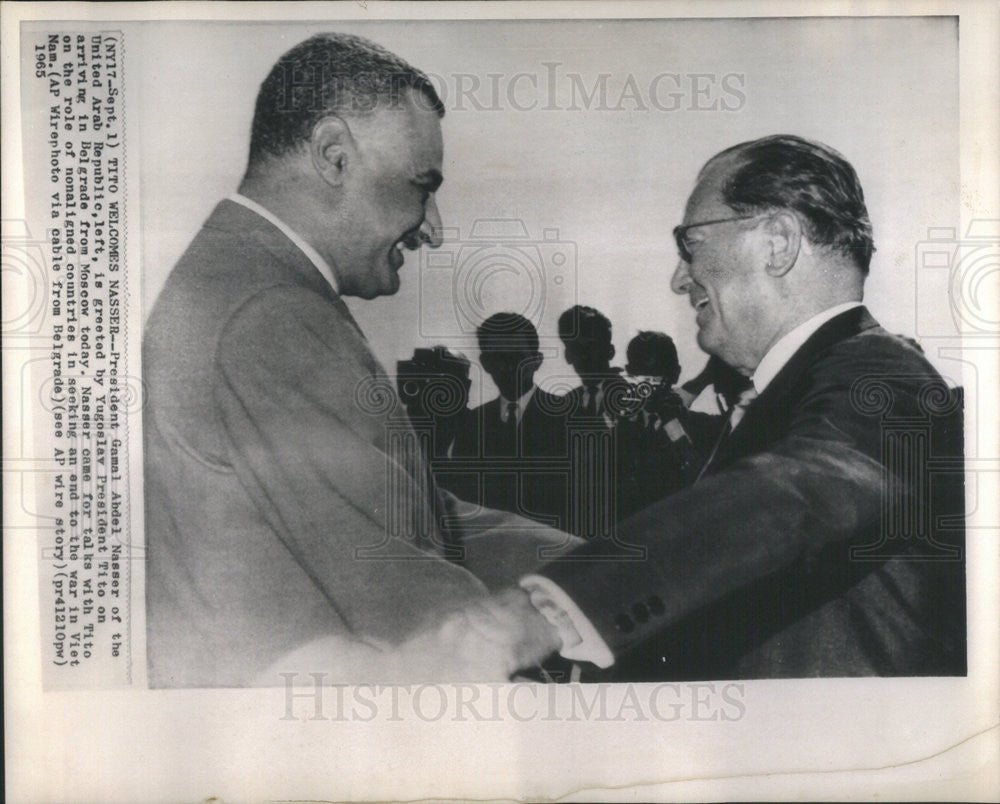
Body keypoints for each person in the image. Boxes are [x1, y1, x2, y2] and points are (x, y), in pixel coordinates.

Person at [142, 33, 565, 687]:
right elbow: (399, 588)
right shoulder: (272, 311)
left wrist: (587, 566)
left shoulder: (242, 278)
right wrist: (576, 612)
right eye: (421, 186)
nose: (433, 227)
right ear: (335, 156)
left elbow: (397, 505)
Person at [489, 134, 967, 680]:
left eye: (691, 243)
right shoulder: (792, 392)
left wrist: (548, 612)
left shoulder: (883, 370)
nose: (678, 278)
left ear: (778, 242)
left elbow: (802, 489)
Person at [449, 313, 570, 529]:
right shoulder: (472, 425)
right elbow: (465, 500)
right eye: (497, 358)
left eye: (516, 357)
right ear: (485, 363)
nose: (506, 367)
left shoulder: (572, 417)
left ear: (537, 361)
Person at [557, 305, 625, 425]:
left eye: (593, 346)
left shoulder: (629, 396)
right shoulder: (564, 405)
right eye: (576, 348)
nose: (584, 355)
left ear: (610, 351)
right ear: (568, 356)